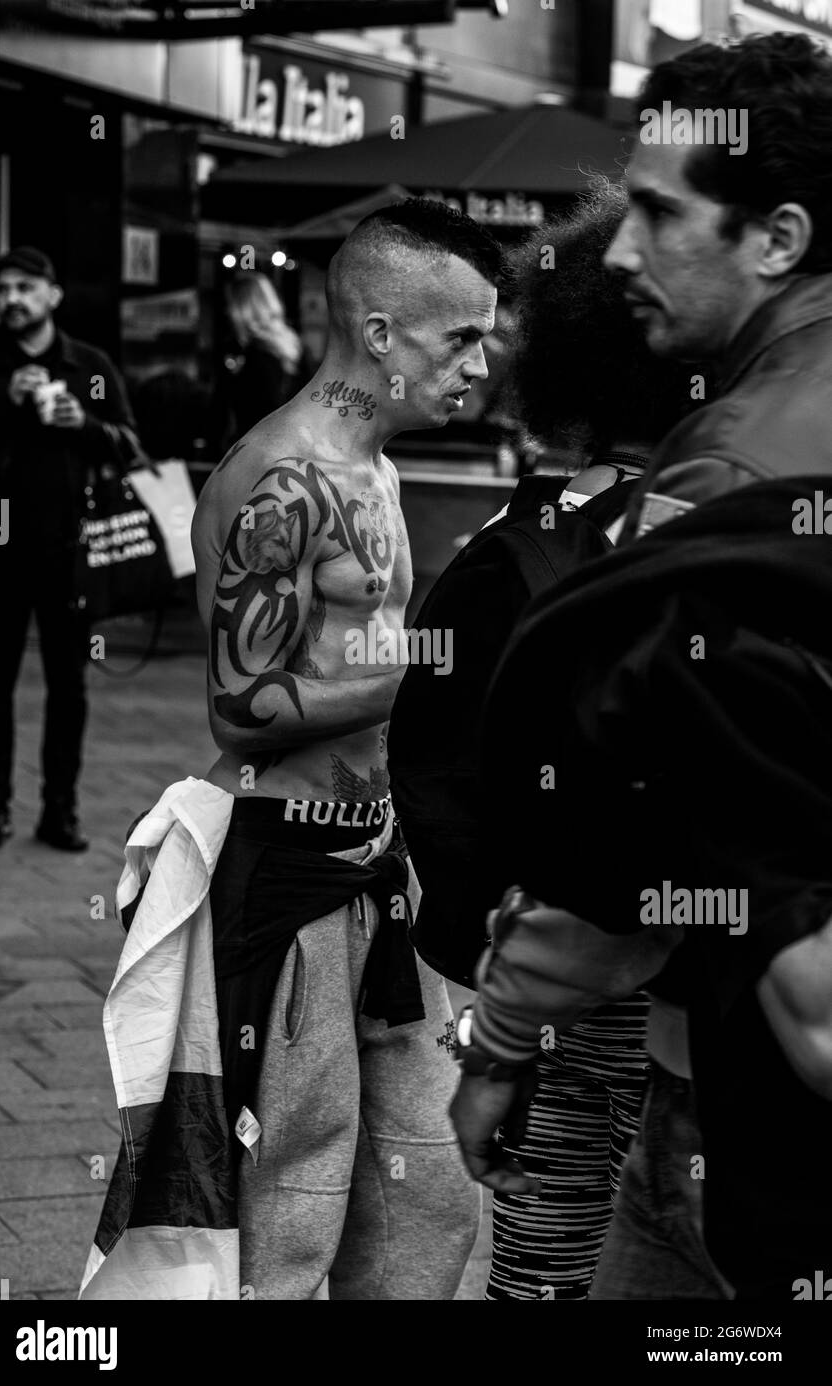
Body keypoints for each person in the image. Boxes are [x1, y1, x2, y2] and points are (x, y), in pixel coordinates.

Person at [449, 31, 832, 1301]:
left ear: (774, 238)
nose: (616, 249)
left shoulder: (726, 474)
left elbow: (618, 808)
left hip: (760, 1128)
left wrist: (500, 1041)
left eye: (658, 214)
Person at [189, 197, 501, 1299]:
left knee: (422, 1188)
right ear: (379, 335)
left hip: (380, 864)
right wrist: (443, 664)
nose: (482, 359)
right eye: (458, 334)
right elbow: (240, 703)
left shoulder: (379, 465)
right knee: (293, 1190)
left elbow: (366, 661)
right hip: (288, 873)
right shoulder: (274, 472)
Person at [483, 180, 699, 1301]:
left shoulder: (518, 542)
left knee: (552, 1211)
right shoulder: (717, 508)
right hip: (683, 988)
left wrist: (497, 1006)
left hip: (563, 952)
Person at [0, 246, 141, 852]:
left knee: (69, 686)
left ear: (53, 295)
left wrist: (84, 426)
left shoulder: (88, 365)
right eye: (3, 290)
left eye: (24, 288)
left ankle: (59, 812)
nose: (11, 299)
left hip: (72, 552)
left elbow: (130, 450)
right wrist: (1, 402)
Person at [213, 273, 307, 454]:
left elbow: (257, 413)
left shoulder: (256, 356)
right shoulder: (294, 346)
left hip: (258, 455)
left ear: (243, 309)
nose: (227, 311)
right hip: (293, 452)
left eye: (230, 305)